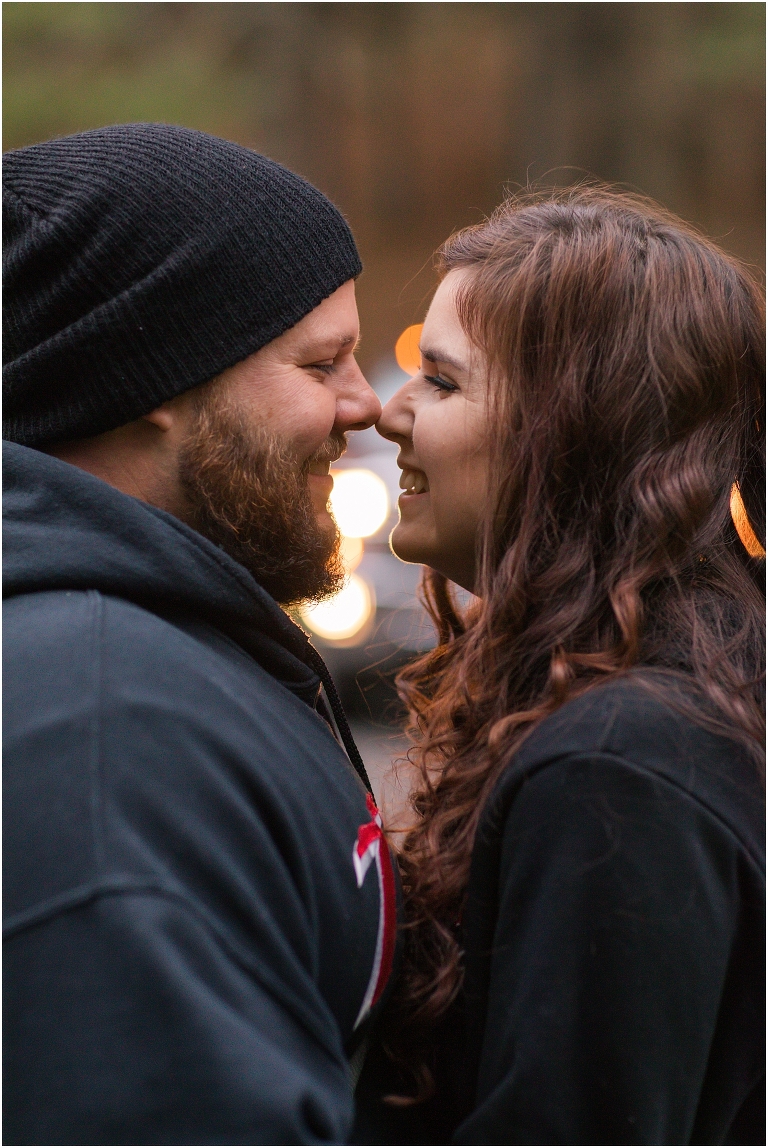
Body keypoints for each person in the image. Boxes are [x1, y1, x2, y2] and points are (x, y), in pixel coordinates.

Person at [3, 123, 400, 1146]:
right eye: (322, 363)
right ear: (159, 383)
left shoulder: (155, 638)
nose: (368, 406)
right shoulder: (101, 742)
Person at [354, 188, 765, 1145]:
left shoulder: (622, 767)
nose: (388, 410)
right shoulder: (680, 688)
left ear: (575, 432)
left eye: (444, 384)